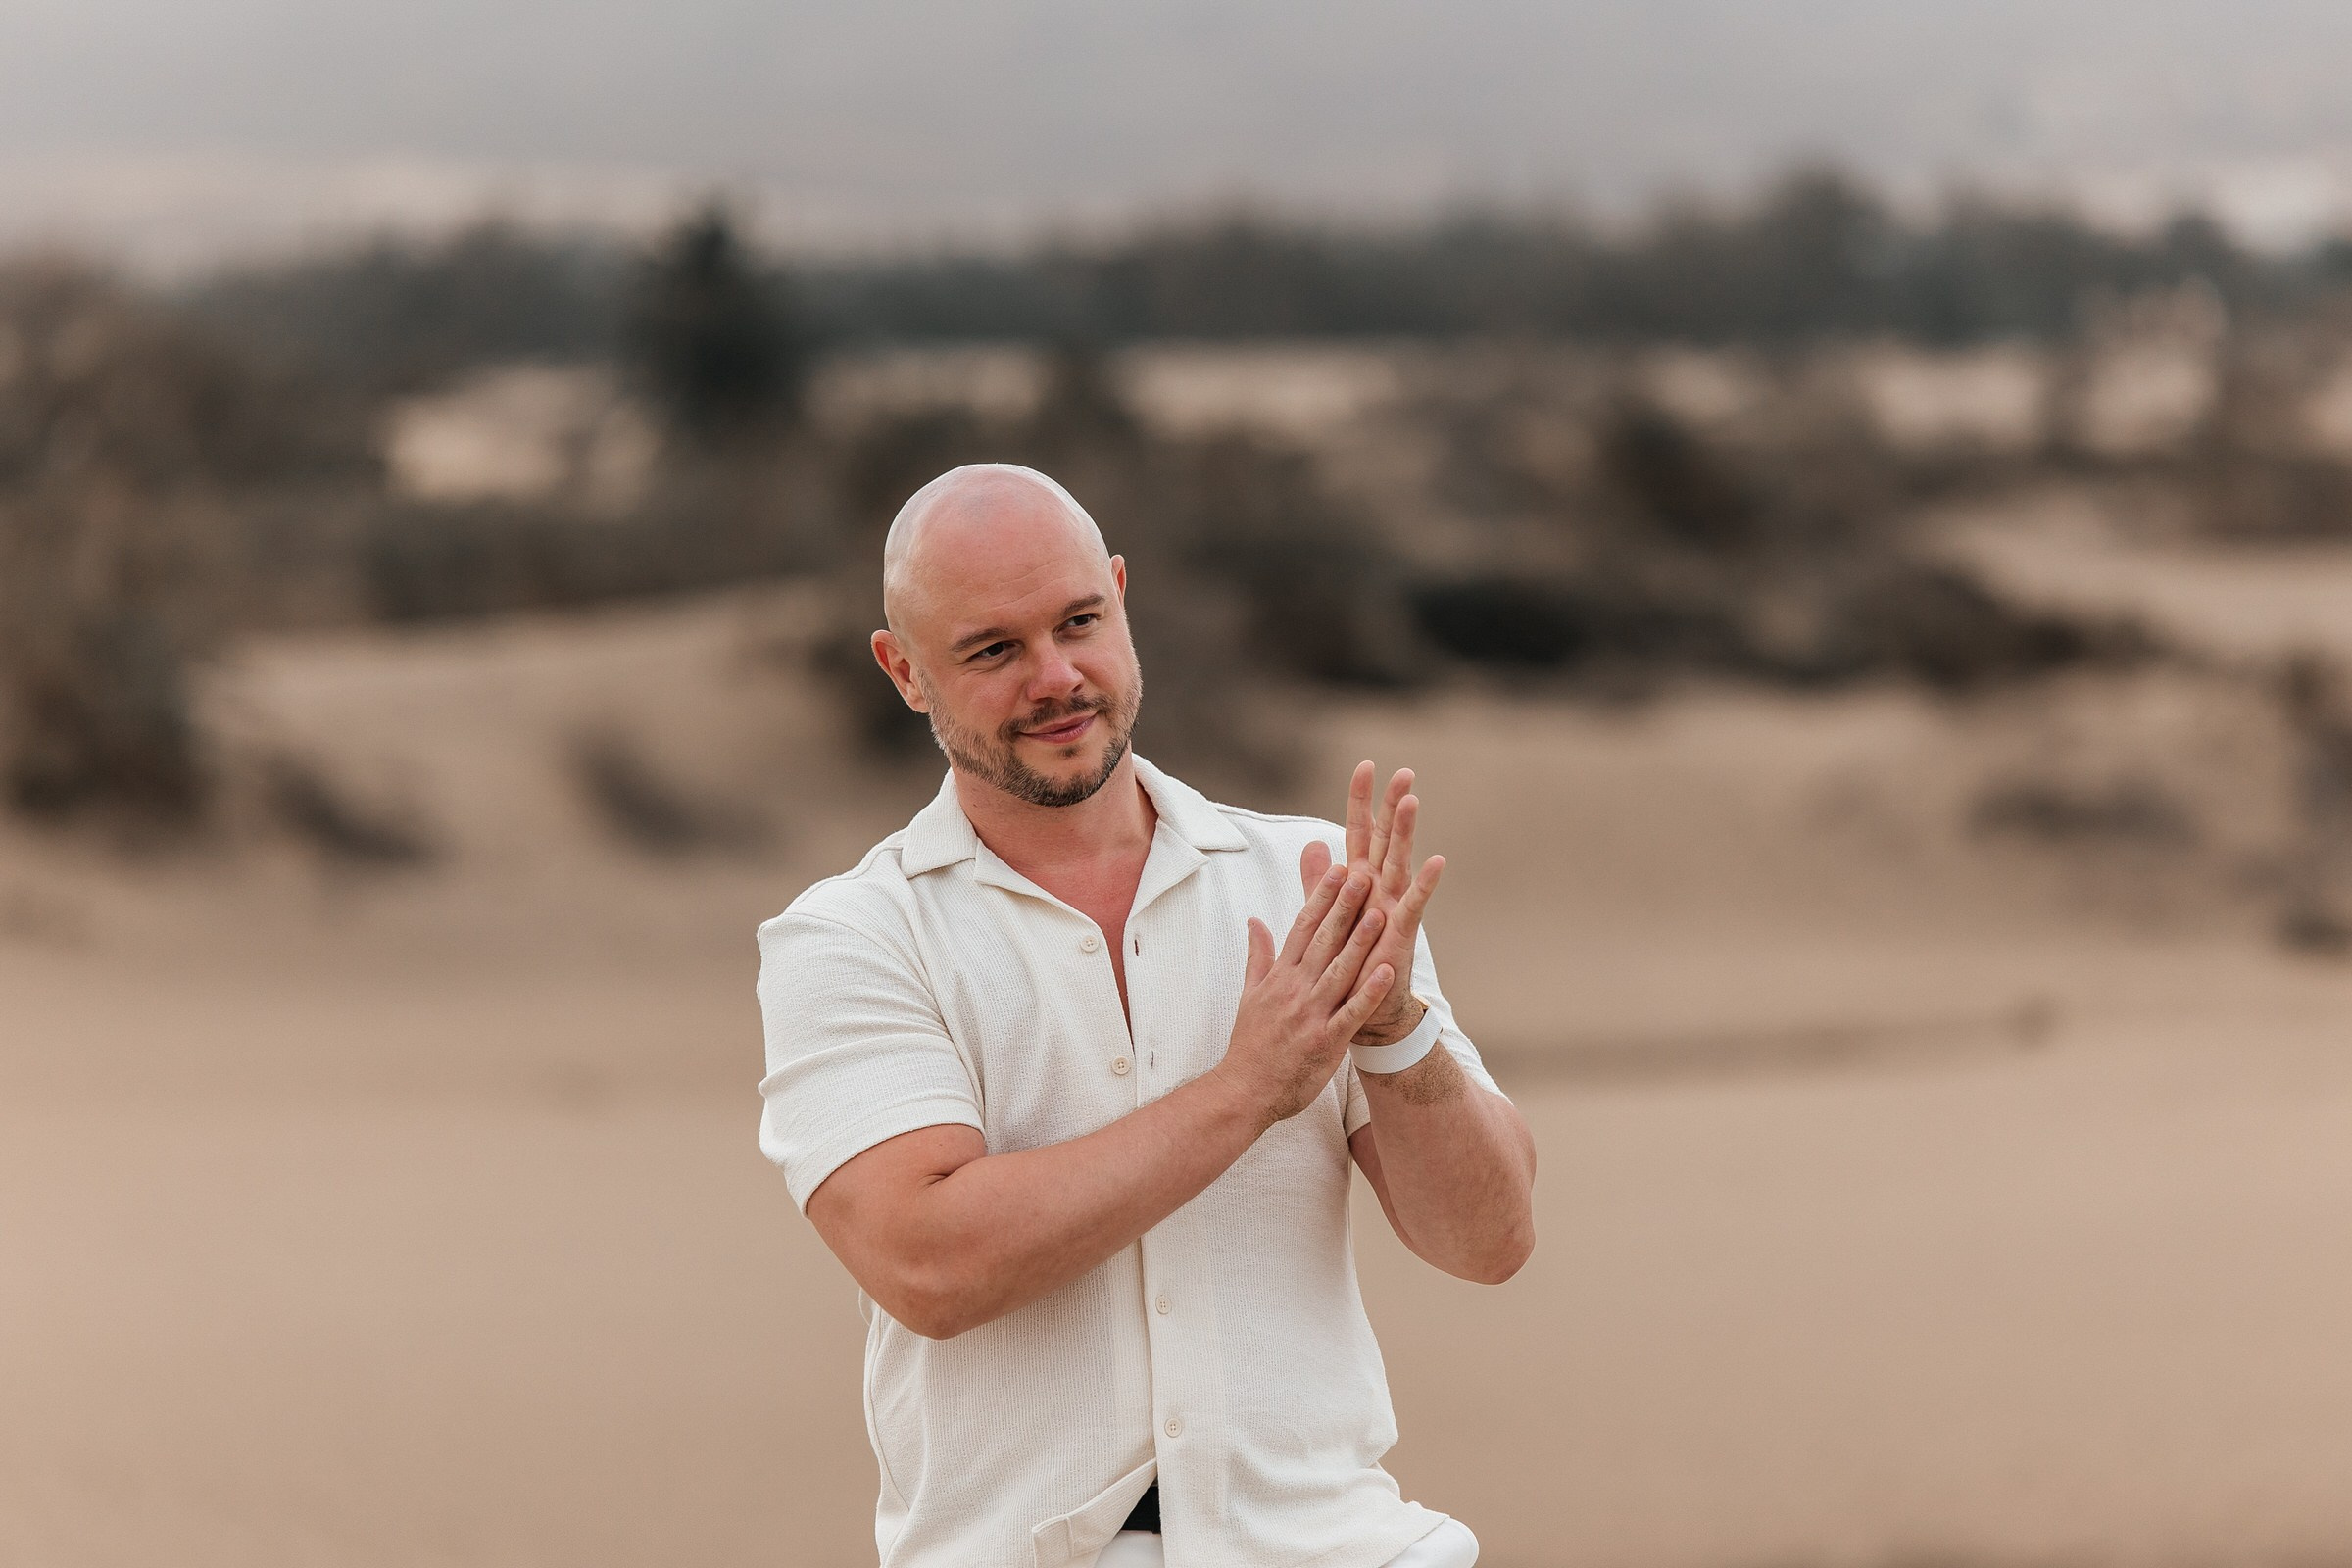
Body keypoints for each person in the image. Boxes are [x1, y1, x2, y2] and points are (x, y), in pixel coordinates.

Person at [756, 463, 1538, 1568]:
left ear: (1121, 597)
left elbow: (1490, 1241)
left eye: (1080, 622)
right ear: (905, 672)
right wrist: (1244, 1092)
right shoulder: (852, 939)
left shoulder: (1307, 877)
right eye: (994, 650)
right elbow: (929, 1265)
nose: (1057, 677)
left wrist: (1394, 1026)